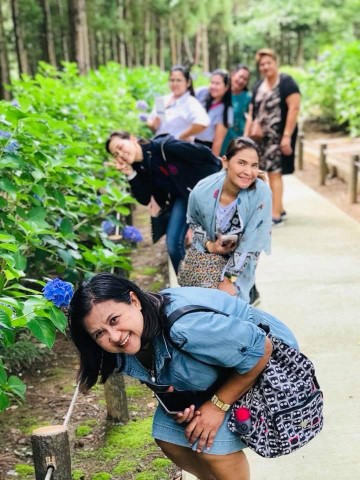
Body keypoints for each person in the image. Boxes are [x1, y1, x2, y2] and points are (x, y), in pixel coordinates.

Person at [68, 273, 298, 480]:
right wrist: (178, 402)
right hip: (218, 370)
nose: (114, 336)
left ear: (134, 301)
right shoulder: (122, 350)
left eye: (114, 320)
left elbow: (262, 349)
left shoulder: (186, 326)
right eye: (100, 333)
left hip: (266, 367)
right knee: (168, 434)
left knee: (211, 444)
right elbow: (160, 376)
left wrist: (217, 407)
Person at [105, 132, 221, 273]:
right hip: (185, 199)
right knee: (172, 244)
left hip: (208, 192)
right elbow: (144, 198)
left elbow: (205, 154)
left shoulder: (164, 148)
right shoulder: (139, 167)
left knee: (221, 242)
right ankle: (190, 287)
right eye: (115, 154)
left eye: (120, 147)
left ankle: (242, 287)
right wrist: (130, 174)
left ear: (132, 139)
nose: (120, 154)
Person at [186, 137, 272, 305]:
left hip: (242, 256)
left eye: (254, 165)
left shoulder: (261, 194)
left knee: (235, 304)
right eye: (241, 163)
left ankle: (247, 294)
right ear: (225, 162)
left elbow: (252, 244)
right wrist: (211, 246)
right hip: (208, 253)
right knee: (206, 305)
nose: (249, 171)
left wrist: (228, 280)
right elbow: (194, 224)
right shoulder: (202, 191)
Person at [244, 49, 301, 227]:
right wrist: (246, 137)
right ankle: (279, 207)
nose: (265, 66)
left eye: (268, 62)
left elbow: (294, 109)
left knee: (275, 173)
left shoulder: (286, 82)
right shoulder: (258, 85)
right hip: (260, 138)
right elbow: (252, 112)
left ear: (276, 62)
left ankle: (275, 215)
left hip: (278, 136)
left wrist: (286, 137)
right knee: (264, 174)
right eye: (262, 64)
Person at [147, 65, 210, 141]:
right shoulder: (162, 100)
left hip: (178, 148)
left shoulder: (191, 103)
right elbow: (151, 123)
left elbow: (203, 123)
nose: (174, 84)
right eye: (172, 80)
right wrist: (154, 123)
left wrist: (182, 136)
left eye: (179, 80)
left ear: (188, 82)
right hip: (159, 146)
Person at [195, 69, 233, 156]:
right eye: (212, 82)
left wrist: (212, 164)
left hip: (204, 149)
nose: (213, 86)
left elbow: (217, 142)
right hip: (188, 142)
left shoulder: (226, 110)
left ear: (226, 87)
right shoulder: (202, 93)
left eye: (217, 83)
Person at [221, 65, 251, 154]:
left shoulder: (247, 97)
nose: (241, 81)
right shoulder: (221, 93)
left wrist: (245, 141)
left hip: (237, 142)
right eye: (240, 76)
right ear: (233, 75)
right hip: (219, 140)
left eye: (245, 79)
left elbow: (250, 119)